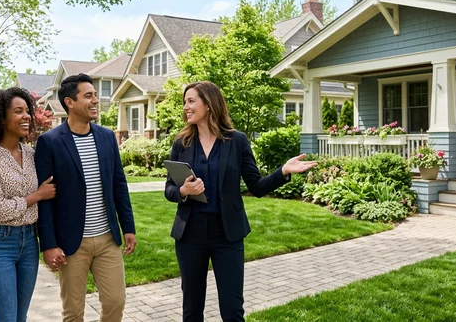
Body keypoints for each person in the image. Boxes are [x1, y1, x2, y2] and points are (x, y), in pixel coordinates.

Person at [164, 81, 317, 322]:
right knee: (192, 308)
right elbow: (169, 190)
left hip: (227, 234)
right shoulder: (181, 143)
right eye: (185, 102)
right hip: (190, 234)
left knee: (232, 309)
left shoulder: (237, 141)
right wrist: (183, 190)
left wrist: (283, 172)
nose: (186, 107)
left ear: (209, 104)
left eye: (191, 101)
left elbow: (256, 186)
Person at [35, 73, 137, 322]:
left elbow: (119, 184)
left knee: (115, 302)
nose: (95, 101)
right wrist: (48, 245)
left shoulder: (106, 137)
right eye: (88, 95)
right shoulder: (49, 142)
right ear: (70, 102)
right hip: (71, 243)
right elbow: (45, 198)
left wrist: (128, 227)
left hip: (106, 238)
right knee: (73, 311)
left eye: (95, 95)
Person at [0, 87, 57, 322]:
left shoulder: (30, 154)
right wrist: (36, 196)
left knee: (21, 317)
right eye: (18, 111)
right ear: (1, 118)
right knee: (6, 319)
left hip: (29, 242)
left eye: (27, 111)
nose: (27, 116)